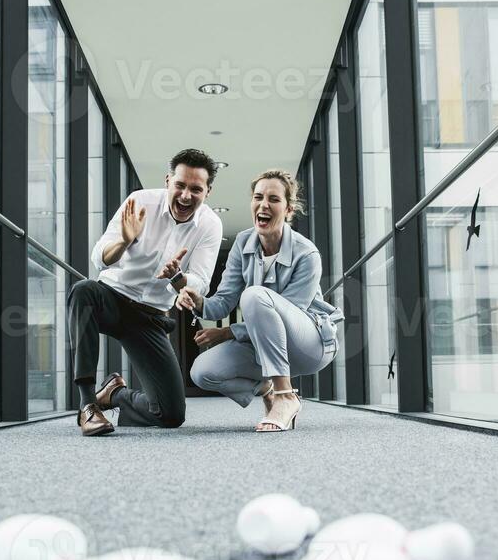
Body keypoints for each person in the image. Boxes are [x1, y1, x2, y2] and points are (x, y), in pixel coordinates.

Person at [67, 149, 222, 436]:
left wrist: (177, 277)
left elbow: (200, 283)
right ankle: (88, 406)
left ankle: (115, 395)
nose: (186, 195)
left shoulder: (210, 225)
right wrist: (124, 242)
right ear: (168, 181)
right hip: (111, 298)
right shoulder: (139, 202)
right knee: (83, 291)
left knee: (170, 414)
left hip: (149, 317)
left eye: (196, 189)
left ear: (207, 191)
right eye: (180, 185)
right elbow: (100, 257)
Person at [177, 169, 342, 432]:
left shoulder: (306, 253)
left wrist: (228, 332)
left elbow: (291, 314)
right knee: (202, 372)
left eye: (274, 199)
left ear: (288, 210)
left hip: (309, 345)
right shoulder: (243, 243)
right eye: (258, 197)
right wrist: (198, 301)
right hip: (264, 345)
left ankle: (285, 395)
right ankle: (266, 388)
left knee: (254, 296)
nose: (264, 205)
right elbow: (222, 301)